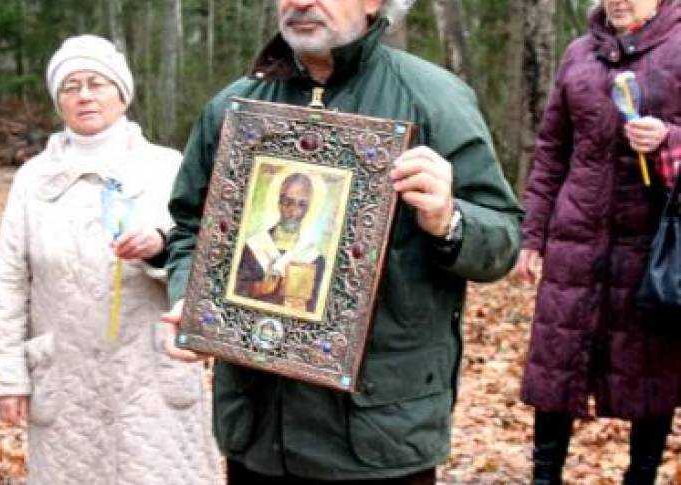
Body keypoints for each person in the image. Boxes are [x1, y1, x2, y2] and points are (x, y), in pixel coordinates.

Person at [161, 0, 522, 483]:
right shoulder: (236, 107)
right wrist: (190, 296)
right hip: (258, 430)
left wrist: (448, 219)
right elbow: (190, 226)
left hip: (378, 434)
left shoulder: (432, 99)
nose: (301, 3)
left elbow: (502, 239)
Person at [0, 35, 222, 484]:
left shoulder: (167, 166)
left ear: (122, 93)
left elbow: (207, 257)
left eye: (96, 83)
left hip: (153, 379)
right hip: (65, 380)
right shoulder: (32, 180)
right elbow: (9, 283)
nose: (84, 95)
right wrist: (8, 377)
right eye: (70, 86)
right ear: (58, 100)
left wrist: (159, 245)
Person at [516, 1, 681, 483]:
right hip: (576, 240)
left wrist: (670, 138)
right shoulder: (578, 53)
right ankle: (544, 476)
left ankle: (642, 477)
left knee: (652, 374)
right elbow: (552, 151)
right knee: (556, 364)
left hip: (654, 246)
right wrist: (533, 235)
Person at [234, 172, 326, 313]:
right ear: (278, 203)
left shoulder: (315, 259)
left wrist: (302, 307)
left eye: (301, 205)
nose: (293, 211)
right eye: (288, 202)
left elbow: (317, 307)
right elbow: (234, 289)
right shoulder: (252, 247)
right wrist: (259, 288)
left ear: (308, 209)